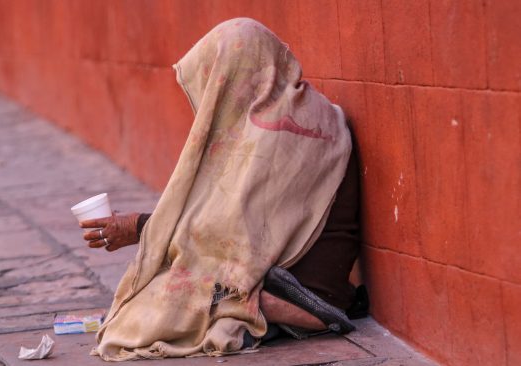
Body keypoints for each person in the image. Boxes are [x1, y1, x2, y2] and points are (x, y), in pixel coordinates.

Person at [81, 18, 366, 361]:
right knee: (163, 287)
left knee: (149, 312)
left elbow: (225, 237)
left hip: (306, 290)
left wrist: (140, 228)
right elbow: (227, 221)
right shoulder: (293, 113)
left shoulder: (276, 133)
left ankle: (287, 313)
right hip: (292, 270)